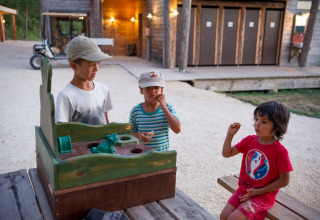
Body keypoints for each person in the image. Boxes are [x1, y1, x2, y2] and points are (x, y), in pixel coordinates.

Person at [220, 101, 293, 220]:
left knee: (233, 218)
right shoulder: (250, 140)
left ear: (277, 127)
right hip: (244, 190)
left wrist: (258, 192)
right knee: (224, 216)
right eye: (256, 119)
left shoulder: (280, 151)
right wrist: (230, 135)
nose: (257, 124)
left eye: (263, 121)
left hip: (263, 196)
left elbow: (284, 180)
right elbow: (226, 153)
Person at [55, 36, 113, 125]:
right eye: (91, 64)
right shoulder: (66, 96)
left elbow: (106, 121)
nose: (96, 68)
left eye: (98, 63)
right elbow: (62, 132)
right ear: (74, 66)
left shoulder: (103, 89)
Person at [129, 71, 181, 151]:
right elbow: (130, 134)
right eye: (148, 88)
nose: (152, 91)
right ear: (141, 90)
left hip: (162, 157)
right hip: (141, 156)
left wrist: (164, 108)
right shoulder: (135, 111)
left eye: (156, 87)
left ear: (162, 90)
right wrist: (139, 136)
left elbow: (177, 129)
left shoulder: (168, 108)